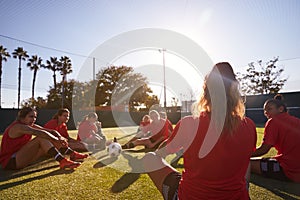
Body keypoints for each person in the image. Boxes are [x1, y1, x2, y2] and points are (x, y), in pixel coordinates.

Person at [142, 62, 257, 199]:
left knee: (150, 158)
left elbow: (161, 153)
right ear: (235, 92)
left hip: (191, 196)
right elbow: (246, 163)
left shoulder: (189, 123)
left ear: (205, 91)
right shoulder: (249, 126)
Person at [0, 107, 88, 170]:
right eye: (31, 116)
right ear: (22, 117)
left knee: (48, 138)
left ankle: (72, 154)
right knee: (41, 138)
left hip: (22, 157)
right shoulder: (18, 127)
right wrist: (57, 139)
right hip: (11, 162)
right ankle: (62, 161)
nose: (34, 119)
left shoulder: (29, 125)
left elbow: (50, 131)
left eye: (35, 117)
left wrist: (59, 136)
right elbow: (38, 133)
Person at [251, 94, 300, 182]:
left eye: (269, 109)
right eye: (264, 110)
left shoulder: (273, 121)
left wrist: (242, 155)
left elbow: (264, 150)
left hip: (290, 170)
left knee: (245, 163)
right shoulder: (297, 121)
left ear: (280, 109)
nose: (266, 112)